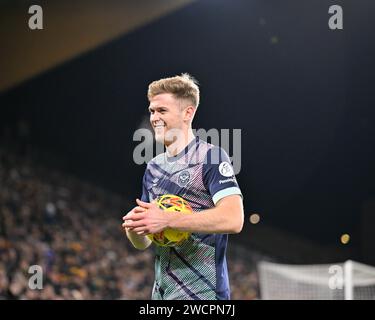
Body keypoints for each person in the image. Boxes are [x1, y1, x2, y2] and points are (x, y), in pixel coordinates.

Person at [122, 73, 244, 300]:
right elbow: (145, 242)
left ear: (188, 112)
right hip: (161, 295)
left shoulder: (211, 157)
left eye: (162, 110)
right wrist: (135, 227)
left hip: (203, 295)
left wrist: (168, 219)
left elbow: (234, 219)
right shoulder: (153, 168)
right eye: (152, 111)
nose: (154, 117)